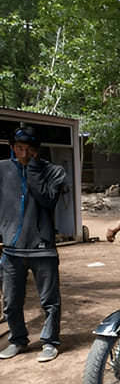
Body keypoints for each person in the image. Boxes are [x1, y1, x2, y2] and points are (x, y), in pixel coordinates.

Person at [0, 125, 68, 362]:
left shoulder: (54, 172)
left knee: (49, 301)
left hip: (43, 249)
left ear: (38, 150)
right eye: (20, 148)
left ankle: (50, 342)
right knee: (10, 301)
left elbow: (47, 200)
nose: (25, 154)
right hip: (11, 250)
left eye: (30, 149)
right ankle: (18, 339)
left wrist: (34, 170)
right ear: (12, 147)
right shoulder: (2, 170)